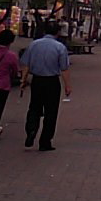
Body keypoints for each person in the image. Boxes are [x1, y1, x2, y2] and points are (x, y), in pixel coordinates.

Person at [20, 21, 71, 151]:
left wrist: (23, 80)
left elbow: (26, 65)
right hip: (52, 82)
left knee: (34, 107)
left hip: (37, 81)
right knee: (51, 112)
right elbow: (64, 68)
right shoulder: (60, 47)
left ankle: (31, 130)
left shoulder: (34, 45)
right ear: (58, 32)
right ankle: (45, 141)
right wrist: (67, 85)